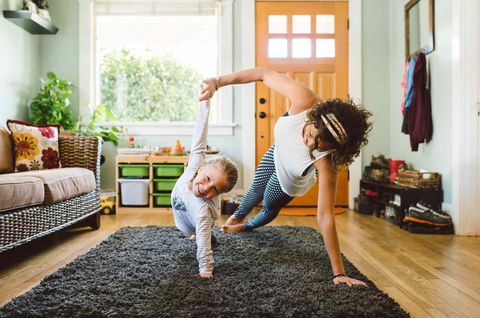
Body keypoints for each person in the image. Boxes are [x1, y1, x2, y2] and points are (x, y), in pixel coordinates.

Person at [200, 68, 372, 286]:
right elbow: (262, 74)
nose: (309, 144)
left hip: (290, 177)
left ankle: (248, 226)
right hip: (278, 151)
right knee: (255, 188)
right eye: (310, 134)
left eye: (318, 147)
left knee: (269, 206)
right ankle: (237, 217)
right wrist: (218, 82)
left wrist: (338, 273)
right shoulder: (305, 99)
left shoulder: (328, 162)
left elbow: (326, 216)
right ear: (314, 117)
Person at [171, 99, 238, 279]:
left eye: (214, 189)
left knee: (203, 235)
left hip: (199, 221)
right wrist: (204, 103)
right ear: (200, 169)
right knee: (201, 231)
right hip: (185, 219)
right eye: (207, 179)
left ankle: (207, 233)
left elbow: (203, 248)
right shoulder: (195, 165)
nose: (205, 188)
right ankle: (203, 233)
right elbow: (200, 135)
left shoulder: (202, 211)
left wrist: (206, 270)